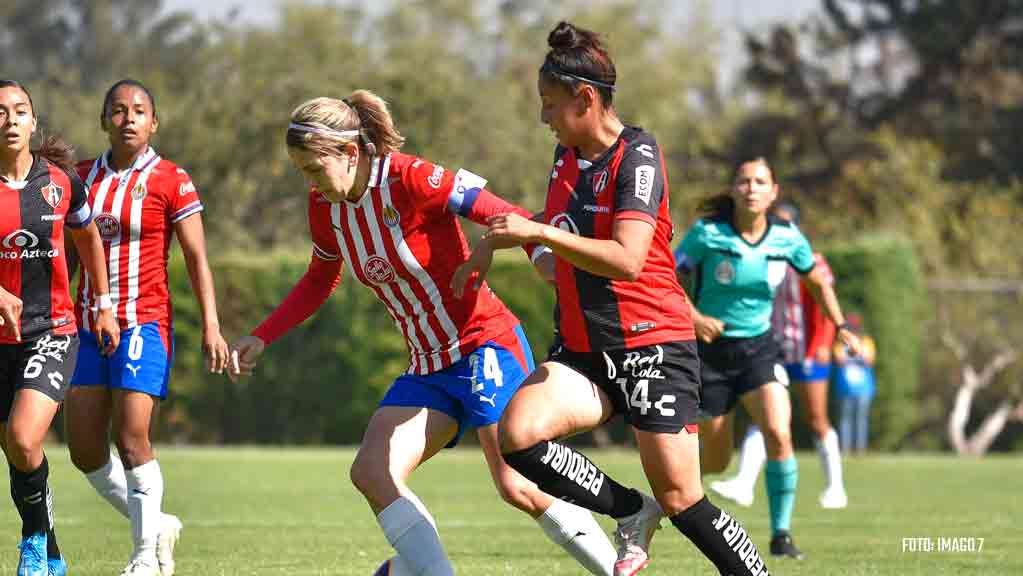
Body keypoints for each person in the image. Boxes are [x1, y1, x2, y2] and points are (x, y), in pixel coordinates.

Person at [228, 91, 618, 576]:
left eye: (313, 169)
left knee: (520, 486)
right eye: (301, 171)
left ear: (350, 153)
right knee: (371, 471)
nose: (309, 182)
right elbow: (318, 277)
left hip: (483, 344)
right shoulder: (324, 206)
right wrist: (263, 335)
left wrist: (545, 260)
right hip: (428, 366)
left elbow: (503, 212)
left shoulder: (409, 177)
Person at [455, 21, 772, 576]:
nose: (544, 117)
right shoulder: (564, 158)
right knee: (519, 436)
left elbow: (628, 258)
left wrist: (541, 235)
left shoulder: (638, 155)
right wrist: (501, 245)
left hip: (652, 344)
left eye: (550, 105)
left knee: (684, 501)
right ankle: (630, 511)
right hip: (585, 350)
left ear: (586, 98)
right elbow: (556, 254)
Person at [64, 79, 230, 576]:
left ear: (153, 122)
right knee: (84, 450)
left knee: (132, 437)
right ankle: (158, 523)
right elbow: (67, 257)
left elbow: (198, 258)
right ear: (103, 121)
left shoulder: (171, 180)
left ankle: (144, 558)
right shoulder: (78, 178)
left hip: (145, 323)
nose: (129, 119)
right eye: (118, 110)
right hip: (87, 326)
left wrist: (212, 327)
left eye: (139, 111)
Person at [674, 157, 863, 560]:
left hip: (760, 349)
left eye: (760, 182)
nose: (751, 188)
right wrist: (696, 318)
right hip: (710, 354)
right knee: (718, 460)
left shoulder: (787, 236)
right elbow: (666, 278)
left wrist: (841, 324)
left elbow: (816, 278)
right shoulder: (707, 234)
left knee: (779, 431)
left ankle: (781, 536)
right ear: (733, 189)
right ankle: (671, 492)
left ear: (773, 192)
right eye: (743, 181)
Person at [0, 79, 119, 576]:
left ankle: (31, 542)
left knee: (26, 439)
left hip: (52, 330)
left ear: (33, 121)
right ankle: (50, 551)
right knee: (16, 451)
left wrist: (105, 302)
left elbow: (87, 235)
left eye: (18, 110)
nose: (9, 120)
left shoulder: (61, 180)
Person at [710, 199, 849, 510]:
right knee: (765, 417)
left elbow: (825, 303)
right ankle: (744, 483)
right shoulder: (762, 256)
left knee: (816, 419)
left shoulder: (812, 260)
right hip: (771, 348)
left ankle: (835, 488)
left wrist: (823, 345)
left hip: (807, 351)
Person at [834, 313, 876, 453]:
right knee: (845, 419)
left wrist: (855, 356)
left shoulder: (867, 341)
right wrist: (858, 357)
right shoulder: (840, 343)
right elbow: (839, 360)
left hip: (864, 388)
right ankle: (845, 449)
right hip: (845, 388)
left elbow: (870, 360)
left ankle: (860, 449)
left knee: (861, 420)